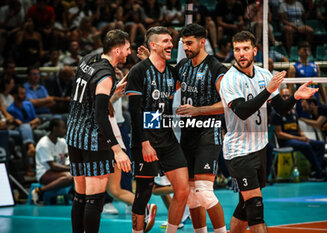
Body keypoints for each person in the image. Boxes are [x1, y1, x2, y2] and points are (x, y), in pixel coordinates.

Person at [219, 31, 318, 233]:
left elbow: (280, 108)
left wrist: (296, 98)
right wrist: (267, 90)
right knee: (256, 208)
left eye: (246, 48)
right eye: (237, 49)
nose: (241, 53)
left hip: (261, 147)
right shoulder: (229, 80)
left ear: (255, 50)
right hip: (239, 151)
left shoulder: (264, 75)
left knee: (245, 206)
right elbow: (242, 111)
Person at [65, 29, 132, 233]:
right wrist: (117, 149)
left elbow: (87, 97)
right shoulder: (106, 75)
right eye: (128, 49)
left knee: (80, 196)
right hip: (93, 139)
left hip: (74, 134)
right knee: (94, 200)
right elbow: (101, 115)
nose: (129, 53)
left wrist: (111, 93)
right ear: (117, 50)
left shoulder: (88, 59)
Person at [125, 26, 189, 233]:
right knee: (144, 192)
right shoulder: (138, 71)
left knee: (183, 189)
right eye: (166, 41)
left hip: (167, 139)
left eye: (171, 41)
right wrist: (145, 143)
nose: (171, 45)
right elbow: (136, 112)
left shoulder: (172, 73)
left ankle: (171, 230)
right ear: (153, 45)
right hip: (145, 141)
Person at [175, 24, 228, 233]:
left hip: (209, 133)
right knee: (190, 194)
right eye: (184, 43)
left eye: (190, 43)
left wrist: (197, 110)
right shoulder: (182, 66)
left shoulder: (216, 67)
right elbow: (165, 87)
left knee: (204, 192)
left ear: (202, 42)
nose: (186, 48)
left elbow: (226, 104)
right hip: (187, 135)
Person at [271, 88, 326, 180]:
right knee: (306, 146)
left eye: (288, 96)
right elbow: (279, 134)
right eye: (283, 96)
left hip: (298, 139)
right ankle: (319, 172)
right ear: (280, 98)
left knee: (320, 144)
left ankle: (315, 170)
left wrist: (304, 136)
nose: (286, 98)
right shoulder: (276, 113)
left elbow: (299, 129)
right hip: (286, 142)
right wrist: (299, 139)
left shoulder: (293, 112)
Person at [31, 118, 73, 205]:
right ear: (55, 128)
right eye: (63, 128)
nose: (65, 131)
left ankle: (73, 194)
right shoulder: (43, 143)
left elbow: (68, 156)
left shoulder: (62, 142)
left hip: (58, 172)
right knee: (70, 177)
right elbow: (52, 165)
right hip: (44, 173)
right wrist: (69, 168)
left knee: (76, 174)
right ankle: (39, 191)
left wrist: (70, 165)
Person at [288, 41, 327, 118]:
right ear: (299, 51)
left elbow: (320, 85)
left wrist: (326, 101)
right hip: (302, 103)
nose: (307, 52)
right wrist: (291, 105)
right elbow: (291, 88)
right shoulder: (293, 68)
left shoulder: (316, 66)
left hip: (315, 103)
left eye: (308, 50)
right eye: (304, 50)